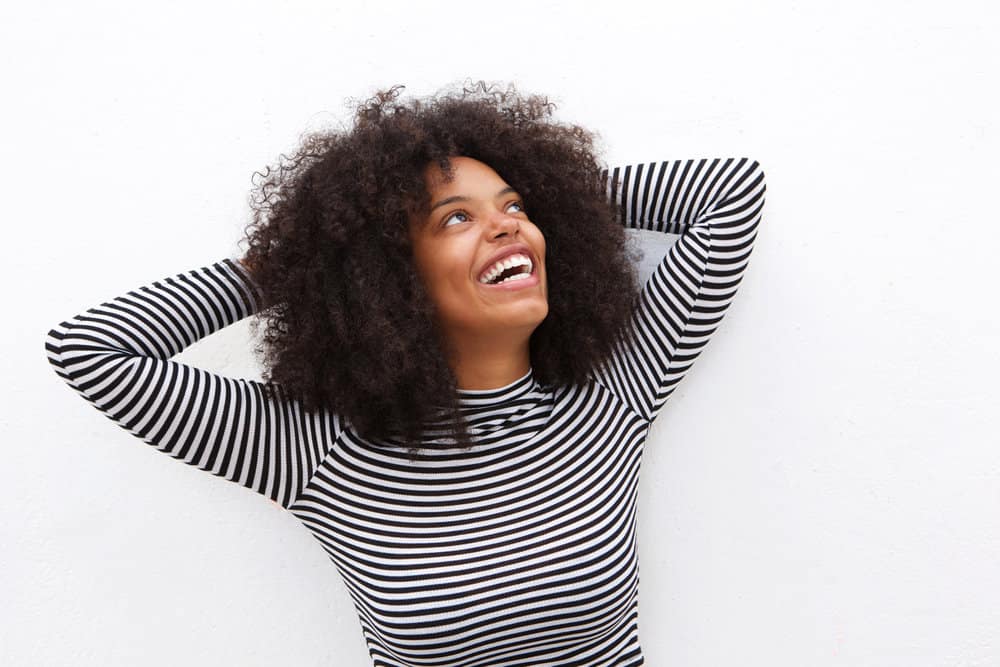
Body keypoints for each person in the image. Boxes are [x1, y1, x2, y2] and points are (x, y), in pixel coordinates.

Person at [45, 81, 767, 666]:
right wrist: (311, 257)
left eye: (516, 207)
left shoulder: (610, 394)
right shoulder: (312, 448)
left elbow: (731, 194)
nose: (509, 224)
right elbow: (92, 351)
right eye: (455, 219)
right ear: (388, 271)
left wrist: (559, 194)